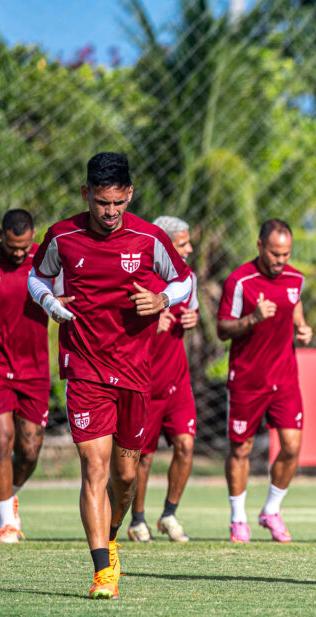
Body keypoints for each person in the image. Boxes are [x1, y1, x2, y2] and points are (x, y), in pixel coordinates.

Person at [28, 152, 191, 599]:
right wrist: (50, 303)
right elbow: (36, 278)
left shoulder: (149, 237)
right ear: (87, 194)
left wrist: (163, 300)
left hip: (135, 370)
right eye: (102, 203)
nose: (110, 212)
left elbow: (185, 280)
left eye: (118, 202)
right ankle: (103, 571)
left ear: (130, 194)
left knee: (125, 476)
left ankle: (113, 534)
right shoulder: (62, 235)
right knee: (94, 468)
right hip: (84, 368)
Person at [217, 219, 312, 543]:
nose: (280, 260)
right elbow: (222, 329)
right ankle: (237, 518)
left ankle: (271, 511)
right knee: (240, 448)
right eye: (274, 253)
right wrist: (253, 318)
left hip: (284, 377)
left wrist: (302, 327)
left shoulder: (296, 278)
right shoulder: (239, 281)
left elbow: (294, 303)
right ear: (260, 246)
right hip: (247, 378)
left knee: (292, 447)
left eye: (285, 254)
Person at [0, 210, 51, 543]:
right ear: (0, 234)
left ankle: (10, 494)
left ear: (33, 235)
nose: (19, 253)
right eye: (12, 246)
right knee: (0, 436)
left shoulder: (46, 263)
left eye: (24, 246)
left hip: (34, 368)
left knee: (30, 451)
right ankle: (8, 523)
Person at [127, 216, 199, 543]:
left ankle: (169, 514)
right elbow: (119, 330)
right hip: (145, 382)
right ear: (166, 245)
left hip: (177, 381)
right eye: (183, 243)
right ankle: (137, 520)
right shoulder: (139, 279)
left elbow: (190, 311)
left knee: (186, 445)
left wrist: (192, 318)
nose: (190, 248)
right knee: (144, 456)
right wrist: (150, 326)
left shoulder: (187, 279)